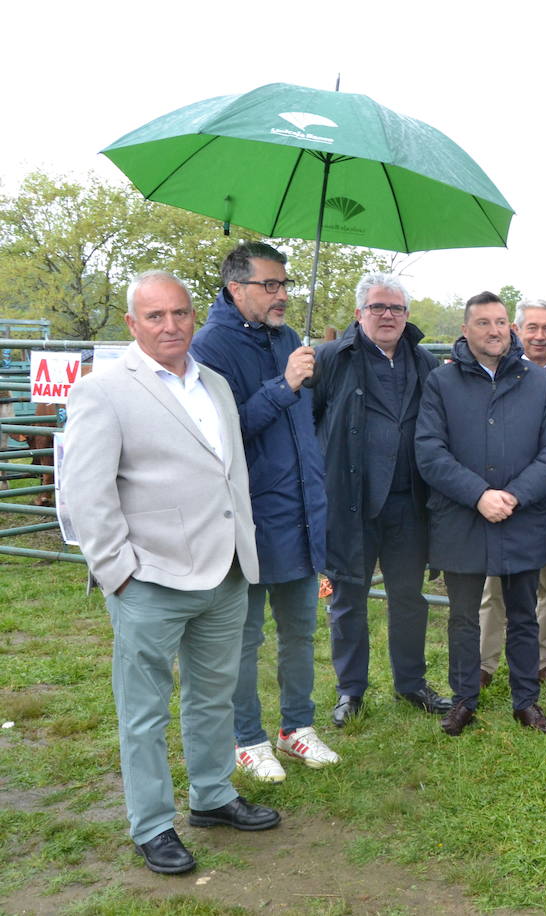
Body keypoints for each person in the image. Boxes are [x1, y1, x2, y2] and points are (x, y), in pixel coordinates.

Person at [64, 271, 279, 875]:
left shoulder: (214, 383)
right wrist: (119, 574)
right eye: (154, 316)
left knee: (214, 697)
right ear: (132, 324)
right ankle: (153, 823)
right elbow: (87, 492)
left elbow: (227, 472)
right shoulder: (104, 390)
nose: (170, 326)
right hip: (150, 579)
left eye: (180, 313)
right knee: (144, 711)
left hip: (226, 572)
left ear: (195, 316)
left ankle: (212, 796)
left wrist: (243, 552)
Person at [191, 241, 339, 782]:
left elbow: (303, 425)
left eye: (284, 285)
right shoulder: (210, 348)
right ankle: (246, 737)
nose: (281, 295)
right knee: (245, 636)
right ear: (237, 288)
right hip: (249, 517)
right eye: (269, 285)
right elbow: (226, 432)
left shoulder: (290, 339)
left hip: (301, 509)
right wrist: (286, 384)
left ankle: (297, 727)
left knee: (300, 630)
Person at [416, 292, 546, 737]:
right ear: (465, 330)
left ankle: (527, 703)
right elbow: (429, 451)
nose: (494, 330)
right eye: (483, 322)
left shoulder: (539, 382)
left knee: (523, 613)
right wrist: (479, 494)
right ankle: (464, 699)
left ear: (512, 328)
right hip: (461, 517)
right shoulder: (441, 383)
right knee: (464, 616)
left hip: (521, 517)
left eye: (501, 321)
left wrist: (516, 496)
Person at [313, 272, 447, 728]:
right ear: (359, 314)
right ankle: (351, 689)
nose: (387, 315)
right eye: (377, 307)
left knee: (408, 598)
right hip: (349, 504)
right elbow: (310, 427)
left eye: (396, 309)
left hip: (409, 504)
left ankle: (411, 684)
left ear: (407, 316)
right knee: (347, 598)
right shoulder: (330, 360)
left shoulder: (426, 363)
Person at [478, 299, 546, 690]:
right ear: (517, 329)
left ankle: (542, 661)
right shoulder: (496, 370)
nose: (540, 335)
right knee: (494, 583)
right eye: (532, 327)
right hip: (503, 496)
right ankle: (483, 664)